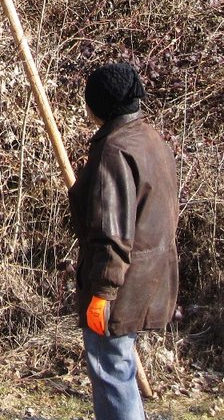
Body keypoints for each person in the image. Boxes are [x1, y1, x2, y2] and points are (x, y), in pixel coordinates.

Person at [69, 62, 179, 420]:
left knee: (111, 370)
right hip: (153, 276)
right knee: (119, 367)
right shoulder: (150, 138)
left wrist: (102, 294)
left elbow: (111, 235)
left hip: (122, 284)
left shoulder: (113, 151)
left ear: (99, 105)